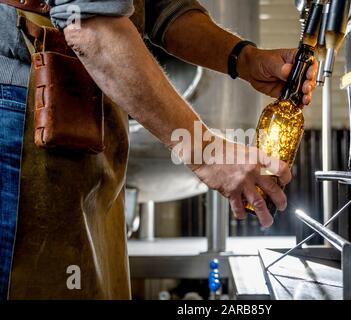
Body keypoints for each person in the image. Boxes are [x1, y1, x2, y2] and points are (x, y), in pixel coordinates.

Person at [0, 0, 317, 299]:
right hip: (23, 113)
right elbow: (92, 26)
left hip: (75, 116)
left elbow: (157, 7)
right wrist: (205, 150)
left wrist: (245, 59)